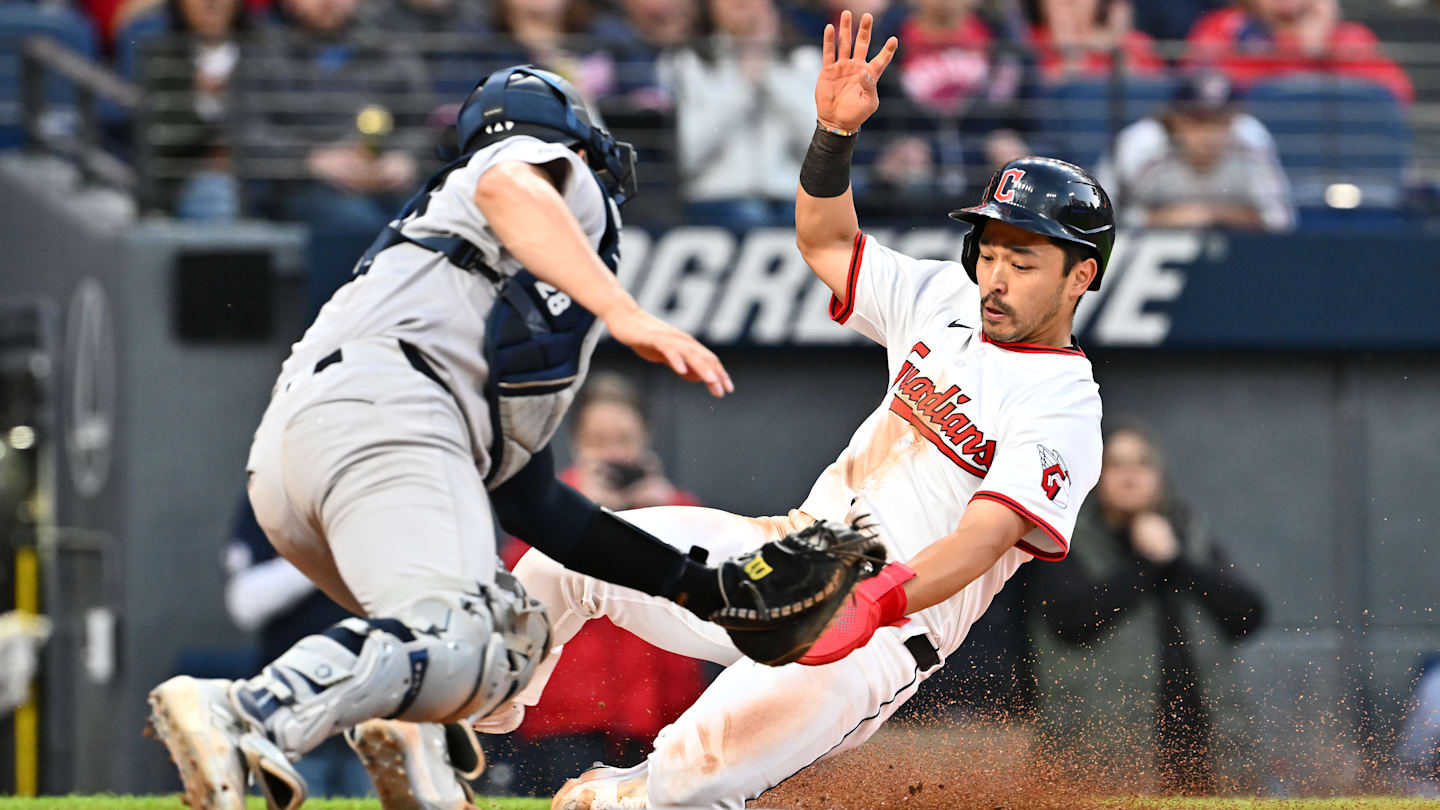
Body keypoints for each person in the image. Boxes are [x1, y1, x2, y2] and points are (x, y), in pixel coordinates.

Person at [480, 12, 1118, 807]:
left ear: (1079, 277)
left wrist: (871, 600)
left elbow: (984, 540)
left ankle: (618, 795)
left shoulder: (1065, 407)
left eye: (1021, 260)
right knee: (562, 555)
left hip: (879, 637)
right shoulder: (944, 298)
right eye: (987, 250)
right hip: (783, 555)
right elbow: (825, 242)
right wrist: (831, 134)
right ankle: (464, 717)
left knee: (683, 783)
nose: (994, 275)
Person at [144, 65, 792, 810]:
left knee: (508, 635)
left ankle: (417, 750)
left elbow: (538, 505)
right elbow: (509, 184)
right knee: (466, 634)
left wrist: (697, 585)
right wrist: (625, 312)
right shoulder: (540, 166)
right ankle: (248, 711)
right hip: (389, 414)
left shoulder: (453, 277)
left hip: (303, 454)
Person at [497, 374, 708, 795]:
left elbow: (715, 587)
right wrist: (582, 511)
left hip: (661, 718)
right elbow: (519, 587)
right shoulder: (548, 509)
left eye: (624, 439)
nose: (613, 453)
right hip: (568, 719)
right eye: (599, 441)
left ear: (645, 440)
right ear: (577, 445)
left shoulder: (675, 509)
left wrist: (665, 512)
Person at [1026, 425, 1267, 792]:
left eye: (1142, 463)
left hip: (1206, 754)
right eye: (1116, 464)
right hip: (1106, 756)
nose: (1130, 475)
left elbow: (1248, 616)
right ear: (1096, 474)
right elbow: (1069, 620)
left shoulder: (1192, 537)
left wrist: (1176, 560)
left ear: (1160, 475)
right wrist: (1147, 565)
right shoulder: (1065, 538)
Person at [221, 498, 371, 798]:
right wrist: (320, 555)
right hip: (291, 718)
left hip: (377, 719)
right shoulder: (272, 495)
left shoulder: (384, 495)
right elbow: (244, 603)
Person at [659, 0, 820, 227]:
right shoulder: (688, 60)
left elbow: (818, 145)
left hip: (790, 196)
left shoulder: (803, 59)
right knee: (750, 216)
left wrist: (768, 66)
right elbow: (690, 153)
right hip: (717, 196)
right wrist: (742, 84)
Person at [1095, 71, 1294, 232]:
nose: (1209, 134)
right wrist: (1164, 219)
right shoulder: (1141, 145)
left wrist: (1214, 214)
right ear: (1174, 119)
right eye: (1197, 121)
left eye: (1219, 121)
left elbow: (1281, 220)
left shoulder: (1251, 140)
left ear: (1234, 118)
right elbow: (1100, 219)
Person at [1186, 0, 1413, 103]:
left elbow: (1397, 93)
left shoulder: (1349, 35)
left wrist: (1321, 48)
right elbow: (1202, 88)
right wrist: (1299, 49)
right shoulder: (1223, 26)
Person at [1027, 0, 1165, 81]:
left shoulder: (1131, 43)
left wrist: (1115, 48)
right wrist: (1072, 57)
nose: (1062, 8)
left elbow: (1151, 98)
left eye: (1073, 2)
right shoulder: (1027, 41)